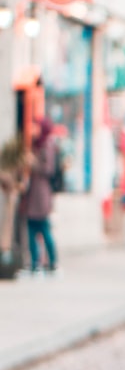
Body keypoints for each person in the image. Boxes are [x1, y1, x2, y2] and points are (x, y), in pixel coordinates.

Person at [22, 118, 59, 277]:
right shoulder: (37, 144)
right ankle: (35, 263)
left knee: (44, 229)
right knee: (31, 229)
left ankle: (52, 263)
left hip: (42, 195)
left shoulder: (48, 145)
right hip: (33, 194)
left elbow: (48, 169)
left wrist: (33, 163)